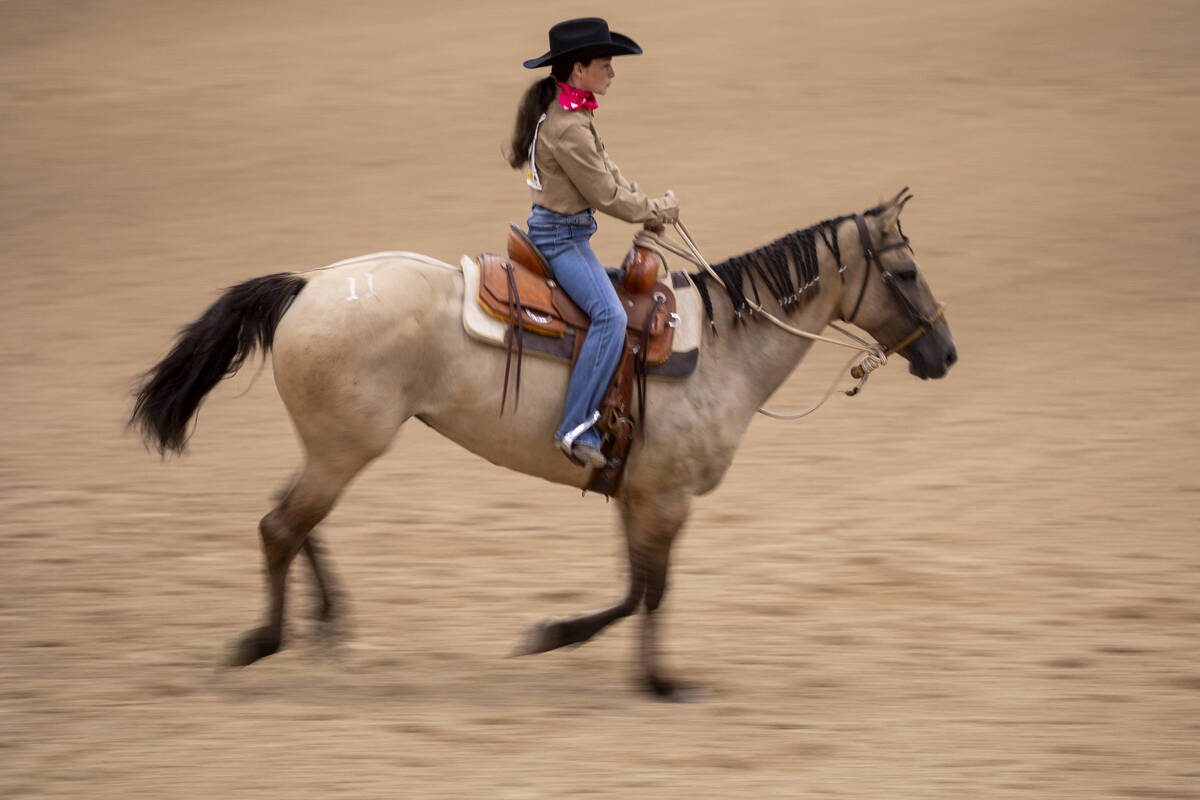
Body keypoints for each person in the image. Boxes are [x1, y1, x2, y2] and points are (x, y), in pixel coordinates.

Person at [508, 17, 680, 468]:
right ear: (578, 70)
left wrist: (646, 201)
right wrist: (655, 212)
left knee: (618, 291)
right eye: (605, 64)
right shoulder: (569, 127)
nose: (612, 73)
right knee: (610, 317)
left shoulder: (572, 112)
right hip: (562, 243)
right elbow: (605, 196)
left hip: (564, 236)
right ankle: (574, 427)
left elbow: (609, 172)